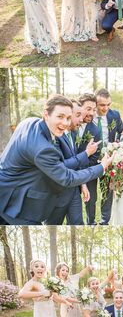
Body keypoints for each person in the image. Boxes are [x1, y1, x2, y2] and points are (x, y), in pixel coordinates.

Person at [0, 94, 111, 225]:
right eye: (60, 116)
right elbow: (68, 178)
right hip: (15, 205)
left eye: (68, 118)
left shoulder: (29, 122)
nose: (65, 123)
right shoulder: (42, 149)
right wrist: (101, 167)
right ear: (46, 114)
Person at [47, 98, 98, 225]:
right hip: (57, 194)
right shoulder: (55, 136)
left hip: (74, 191)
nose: (81, 119)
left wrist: (83, 184)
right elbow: (61, 166)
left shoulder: (74, 134)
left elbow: (75, 159)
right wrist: (86, 153)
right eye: (78, 115)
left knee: (78, 223)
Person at [94, 88, 123, 225]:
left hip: (109, 159)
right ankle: (90, 221)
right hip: (90, 160)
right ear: (95, 104)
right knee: (91, 193)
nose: (105, 108)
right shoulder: (88, 116)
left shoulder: (115, 115)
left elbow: (122, 132)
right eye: (102, 105)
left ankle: (104, 221)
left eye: (108, 104)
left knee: (107, 192)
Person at [77, 93, 102, 225]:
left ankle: (91, 222)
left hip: (88, 171)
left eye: (93, 109)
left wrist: (83, 176)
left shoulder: (95, 130)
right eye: (88, 109)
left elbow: (95, 157)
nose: (91, 113)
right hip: (69, 171)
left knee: (91, 201)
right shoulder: (69, 125)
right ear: (79, 107)